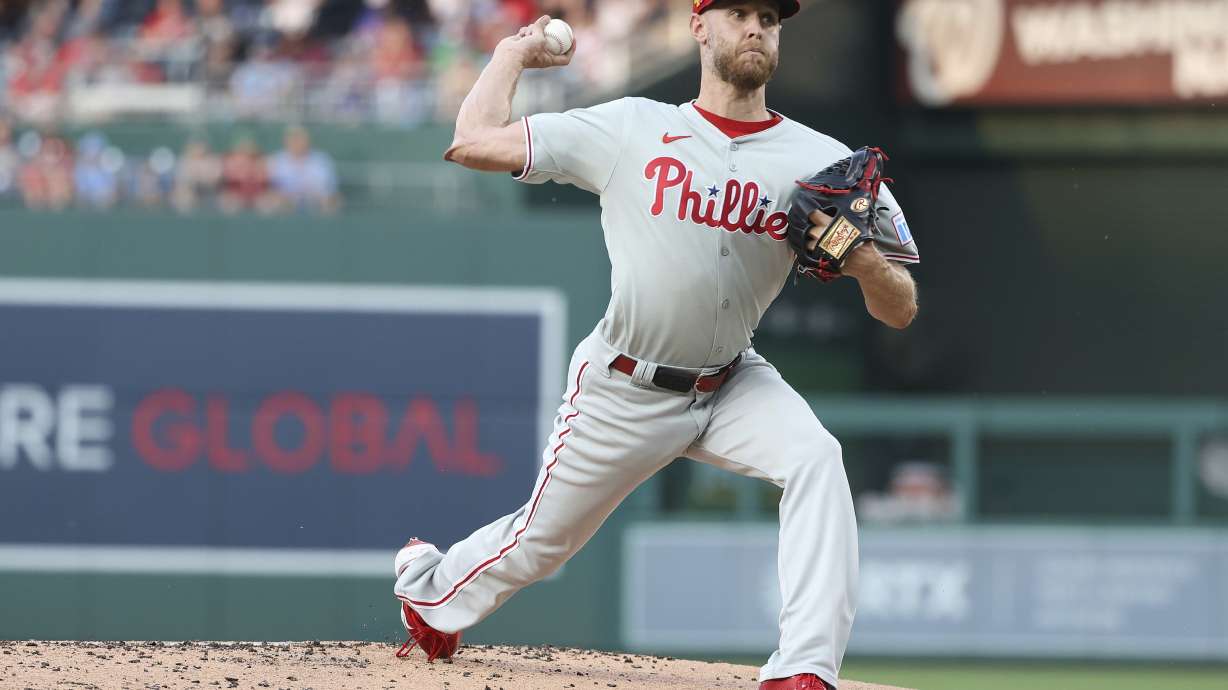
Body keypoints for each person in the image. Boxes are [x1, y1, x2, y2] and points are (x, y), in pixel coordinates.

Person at [392, 3, 920, 690]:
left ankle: (803, 671)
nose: (755, 27)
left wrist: (864, 263)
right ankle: (427, 586)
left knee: (817, 457)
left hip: (733, 379)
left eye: (770, 15)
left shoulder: (823, 159)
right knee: (542, 546)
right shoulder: (632, 127)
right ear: (699, 28)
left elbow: (901, 306)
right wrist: (514, 54)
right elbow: (471, 140)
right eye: (737, 12)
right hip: (623, 385)